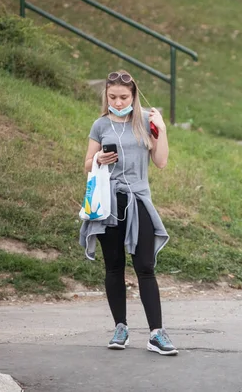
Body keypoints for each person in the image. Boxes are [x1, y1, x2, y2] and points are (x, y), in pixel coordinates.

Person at [79, 70, 177, 356]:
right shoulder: (100, 124)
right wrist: (98, 158)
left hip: (138, 201)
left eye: (124, 97)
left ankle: (156, 333)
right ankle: (120, 327)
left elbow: (160, 162)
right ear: (106, 96)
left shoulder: (146, 122)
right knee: (113, 266)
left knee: (145, 266)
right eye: (113, 97)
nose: (119, 102)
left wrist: (163, 130)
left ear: (134, 96)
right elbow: (87, 163)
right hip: (109, 202)